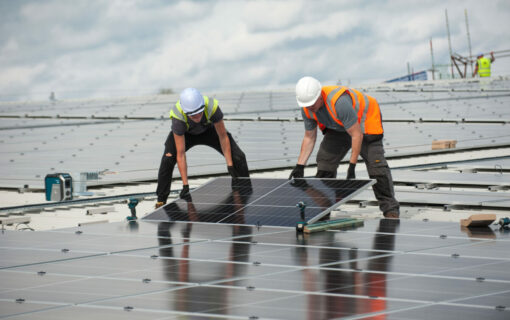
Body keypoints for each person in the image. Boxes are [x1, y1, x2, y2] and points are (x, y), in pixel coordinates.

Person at [288, 76, 399, 218]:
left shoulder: (339, 102)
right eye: (307, 105)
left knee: (376, 165)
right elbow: (309, 137)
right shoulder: (307, 108)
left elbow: (356, 135)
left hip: (365, 123)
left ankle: (390, 210)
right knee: (325, 160)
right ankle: (323, 207)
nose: (310, 107)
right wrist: (300, 166)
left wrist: (352, 166)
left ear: (320, 95)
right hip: (339, 127)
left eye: (312, 103)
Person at [155, 88, 249, 208]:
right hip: (186, 134)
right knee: (167, 160)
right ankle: (161, 200)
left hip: (208, 130)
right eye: (193, 115)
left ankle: (245, 193)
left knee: (239, 157)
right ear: (186, 113)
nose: (197, 116)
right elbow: (181, 154)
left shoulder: (212, 107)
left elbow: (223, 137)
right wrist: (185, 185)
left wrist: (230, 165)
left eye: (199, 112)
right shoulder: (178, 118)